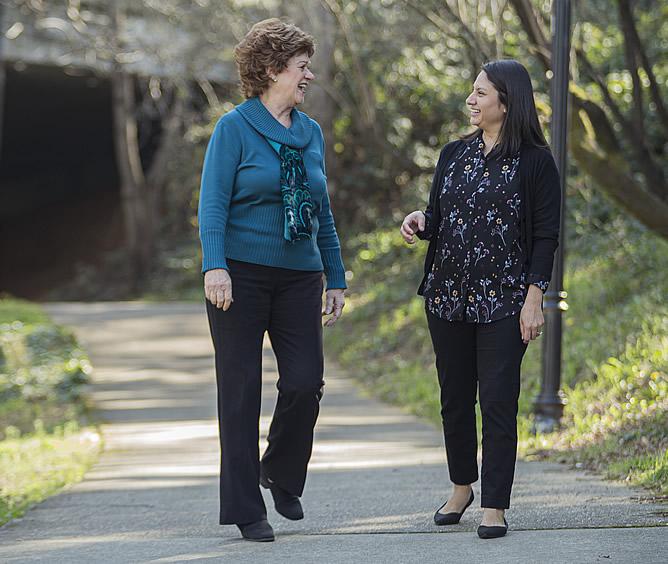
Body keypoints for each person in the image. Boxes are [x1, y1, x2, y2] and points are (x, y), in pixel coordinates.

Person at [198, 18, 346, 542]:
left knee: (306, 383)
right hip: (239, 274)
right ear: (271, 69)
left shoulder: (310, 133)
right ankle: (245, 509)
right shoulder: (233, 128)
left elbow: (322, 209)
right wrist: (215, 264)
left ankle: (281, 473)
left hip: (300, 276)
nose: (309, 76)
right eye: (302, 67)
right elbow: (212, 204)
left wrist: (336, 274)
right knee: (239, 393)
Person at [400, 59, 560, 539]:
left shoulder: (536, 162)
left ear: (507, 102)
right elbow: (439, 217)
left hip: (506, 301)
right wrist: (418, 221)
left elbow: (546, 237)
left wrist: (534, 299)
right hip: (447, 297)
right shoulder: (452, 154)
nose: (471, 100)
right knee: (453, 400)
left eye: (480, 93)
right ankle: (461, 486)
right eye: (472, 92)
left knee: (496, 400)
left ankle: (495, 503)